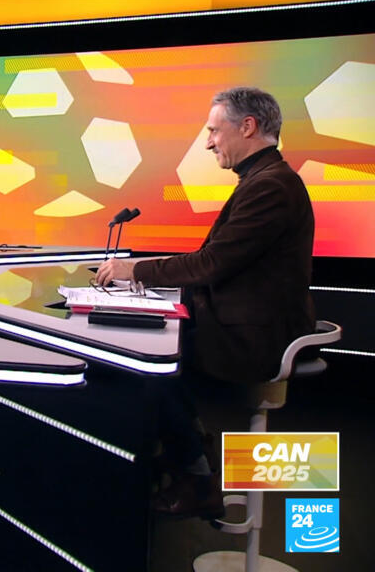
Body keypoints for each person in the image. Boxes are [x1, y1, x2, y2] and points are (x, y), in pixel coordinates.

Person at [95, 87, 316, 517]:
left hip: (252, 340)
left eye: (214, 131)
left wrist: (133, 270)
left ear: (247, 127)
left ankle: (197, 477)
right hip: (239, 323)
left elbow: (212, 263)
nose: (208, 142)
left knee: (148, 366)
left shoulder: (271, 186)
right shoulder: (263, 179)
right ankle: (193, 452)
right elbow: (220, 263)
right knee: (152, 348)